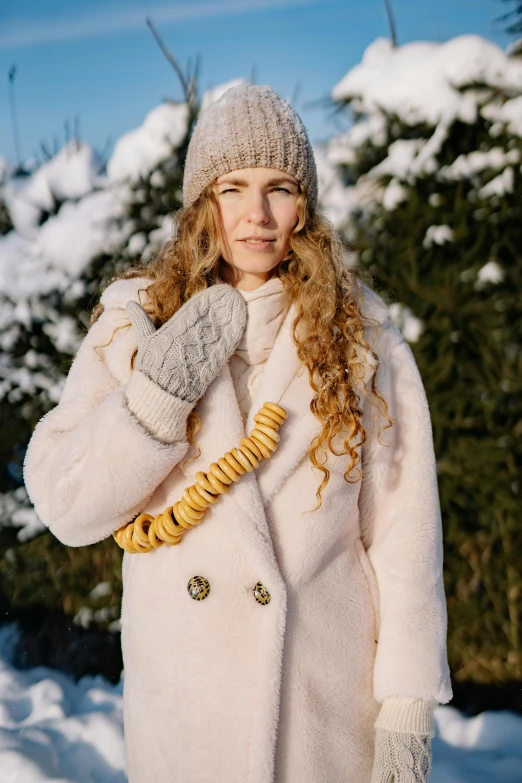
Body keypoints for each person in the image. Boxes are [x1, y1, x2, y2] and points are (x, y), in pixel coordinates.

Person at [23, 84, 453, 783]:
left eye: (280, 188)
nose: (256, 215)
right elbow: (66, 504)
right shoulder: (136, 321)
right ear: (203, 203)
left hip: (321, 715)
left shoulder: (363, 338)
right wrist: (153, 401)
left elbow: (406, 536)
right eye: (233, 188)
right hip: (187, 717)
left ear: (304, 205)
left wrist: (407, 705)